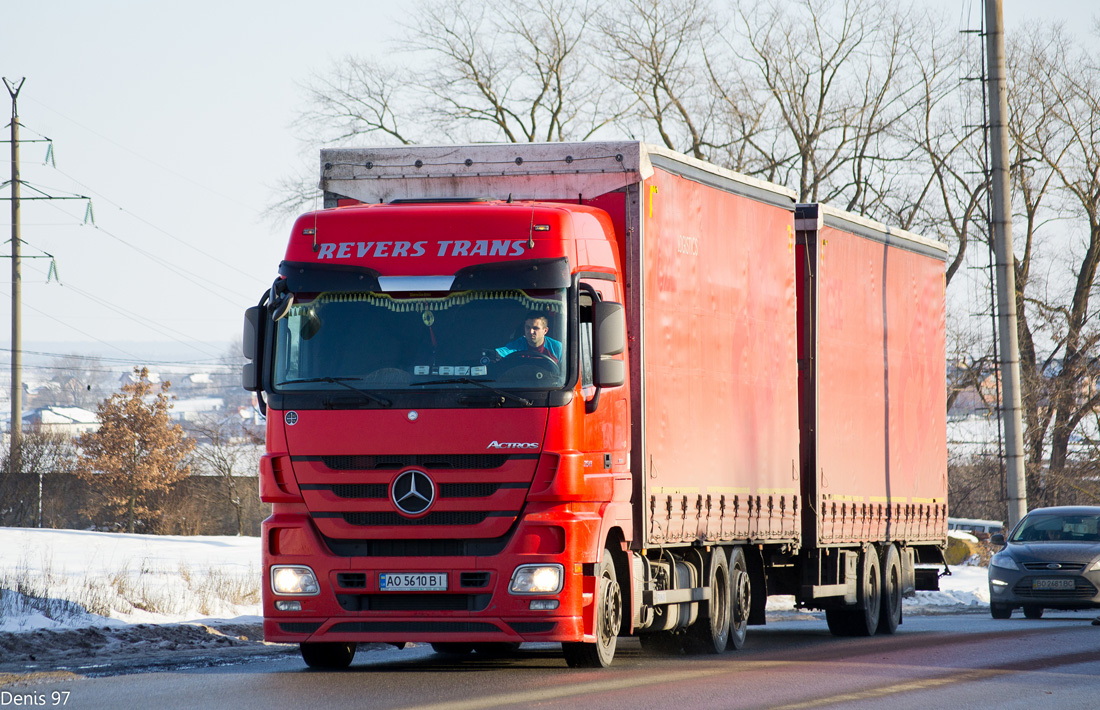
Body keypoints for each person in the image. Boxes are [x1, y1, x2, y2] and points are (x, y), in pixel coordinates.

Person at [494, 313, 562, 362]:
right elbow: (499, 353)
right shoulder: (517, 345)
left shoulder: (557, 347)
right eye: (528, 327)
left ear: (545, 330)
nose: (531, 332)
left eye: (535, 328)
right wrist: (494, 355)